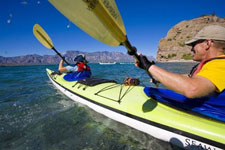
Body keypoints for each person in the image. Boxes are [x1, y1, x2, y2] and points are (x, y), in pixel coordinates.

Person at [136, 25, 225, 98]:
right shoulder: (213, 65)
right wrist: (156, 76)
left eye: (193, 44)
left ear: (208, 44)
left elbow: (192, 88)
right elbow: (190, 78)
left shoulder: (222, 65)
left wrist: (150, 67)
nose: (191, 49)